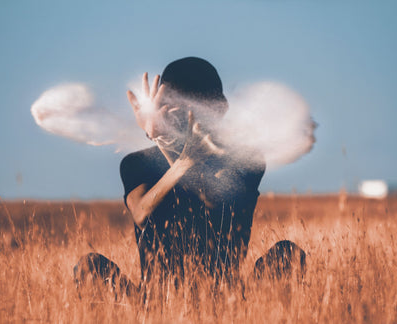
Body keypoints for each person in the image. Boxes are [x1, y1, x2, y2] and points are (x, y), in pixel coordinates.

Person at [74, 57, 306, 304]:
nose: (188, 117)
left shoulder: (247, 162)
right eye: (174, 107)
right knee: (89, 267)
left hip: (226, 302)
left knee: (288, 254)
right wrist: (167, 145)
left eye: (194, 107)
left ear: (220, 109)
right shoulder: (137, 163)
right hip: (155, 305)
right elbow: (141, 212)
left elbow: (215, 205)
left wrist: (174, 150)